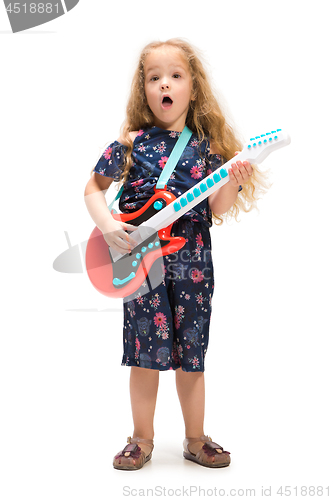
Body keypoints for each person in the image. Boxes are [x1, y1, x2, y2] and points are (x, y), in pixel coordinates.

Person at [84, 38, 269, 470]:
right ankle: (142, 439)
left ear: (192, 87)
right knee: (144, 353)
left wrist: (234, 179)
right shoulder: (131, 144)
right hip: (142, 262)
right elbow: (93, 188)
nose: (164, 83)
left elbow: (218, 208)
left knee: (192, 353)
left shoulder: (208, 150)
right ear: (144, 89)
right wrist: (109, 226)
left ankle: (195, 438)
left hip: (194, 264)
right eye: (154, 77)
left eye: (175, 75)